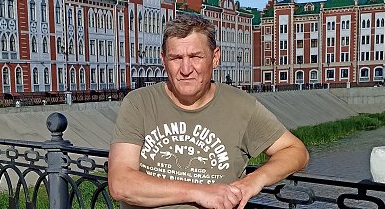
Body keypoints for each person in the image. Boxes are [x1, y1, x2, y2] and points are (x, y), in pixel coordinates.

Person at [108, 13, 308, 209]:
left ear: (215, 58)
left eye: (196, 57)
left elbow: (296, 151)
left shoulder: (240, 106)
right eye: (176, 58)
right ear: (163, 60)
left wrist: (255, 179)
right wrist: (198, 192)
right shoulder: (140, 103)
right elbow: (120, 184)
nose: (186, 69)